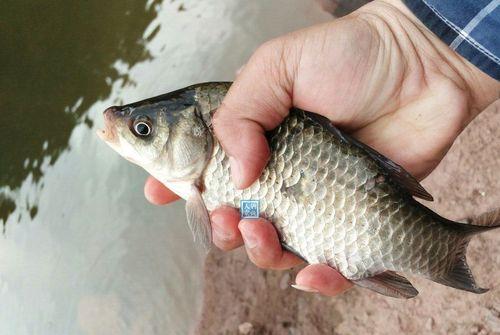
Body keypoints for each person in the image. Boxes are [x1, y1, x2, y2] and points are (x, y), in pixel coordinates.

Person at [145, 0, 500, 296]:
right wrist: (413, 36)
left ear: (194, 128)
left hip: (322, 181)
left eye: (143, 130)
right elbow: (245, 206)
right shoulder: (197, 179)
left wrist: (411, 39)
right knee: (251, 214)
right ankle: (425, 251)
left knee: (249, 216)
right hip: (267, 200)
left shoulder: (207, 149)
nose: (137, 136)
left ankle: (437, 250)